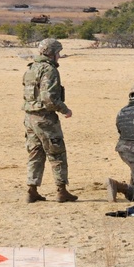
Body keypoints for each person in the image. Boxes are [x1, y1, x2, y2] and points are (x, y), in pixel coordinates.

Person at [22, 38, 78, 203]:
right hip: (45, 118)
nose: (59, 56)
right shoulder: (49, 70)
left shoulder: (31, 68)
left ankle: (32, 190)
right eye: (58, 53)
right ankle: (61, 190)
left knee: (35, 154)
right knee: (57, 153)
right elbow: (49, 98)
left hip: (29, 117)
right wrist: (65, 110)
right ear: (52, 53)